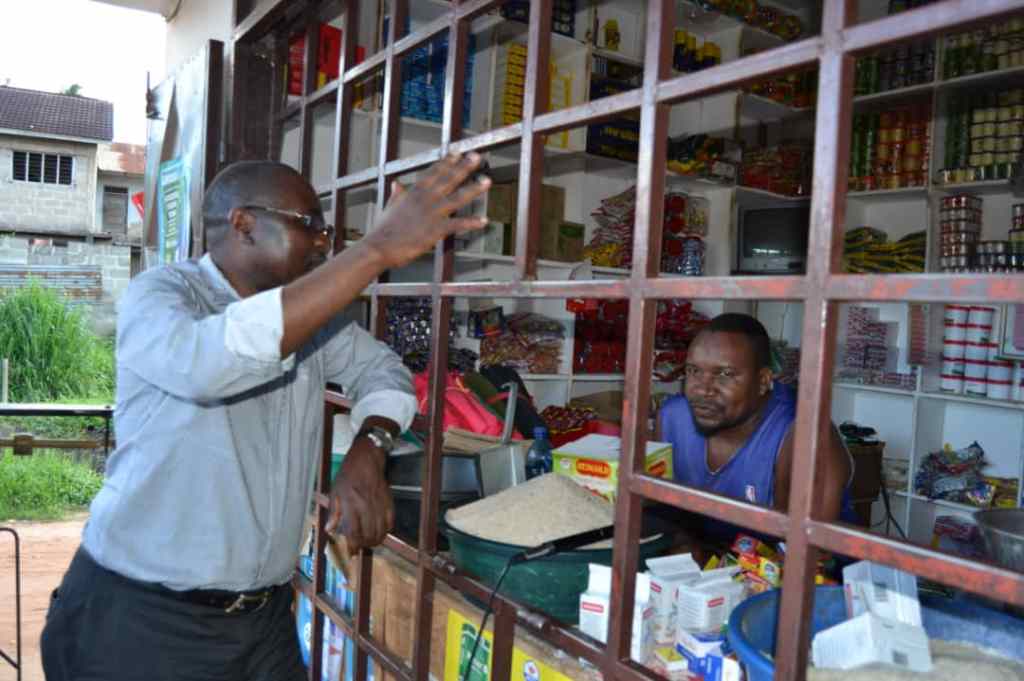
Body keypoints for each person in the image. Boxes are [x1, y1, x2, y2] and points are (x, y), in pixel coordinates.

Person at [40, 152, 492, 681]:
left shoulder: (313, 322)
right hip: (144, 621)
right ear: (244, 224)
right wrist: (373, 251)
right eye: (309, 225)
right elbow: (206, 366)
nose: (323, 243)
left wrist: (371, 447)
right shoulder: (163, 296)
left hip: (262, 619)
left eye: (327, 232)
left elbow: (385, 372)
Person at [657, 313, 856, 549]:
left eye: (725, 374)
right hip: (713, 563)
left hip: (798, 567)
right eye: (694, 371)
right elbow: (665, 516)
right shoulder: (673, 418)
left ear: (763, 381)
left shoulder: (803, 434)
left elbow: (809, 553)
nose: (702, 389)